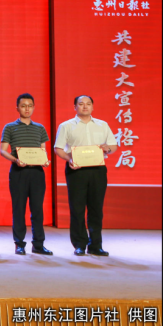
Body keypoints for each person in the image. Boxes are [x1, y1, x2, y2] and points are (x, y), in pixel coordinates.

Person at [54, 95, 117, 257]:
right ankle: (79, 244)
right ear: (75, 107)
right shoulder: (66, 126)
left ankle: (96, 245)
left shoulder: (102, 125)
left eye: (88, 104)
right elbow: (58, 148)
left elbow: (113, 145)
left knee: (96, 208)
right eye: (81, 104)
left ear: (93, 107)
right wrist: (70, 159)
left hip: (98, 170)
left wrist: (108, 148)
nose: (85, 107)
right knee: (77, 208)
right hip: (76, 170)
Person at [0, 93, 53, 256]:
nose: (27, 109)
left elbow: (43, 150)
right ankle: (19, 244)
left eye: (30, 106)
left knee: (37, 209)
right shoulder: (10, 127)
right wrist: (15, 160)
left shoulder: (40, 128)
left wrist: (45, 160)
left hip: (37, 172)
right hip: (18, 172)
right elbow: (3, 150)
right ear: (17, 108)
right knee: (19, 209)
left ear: (34, 107)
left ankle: (38, 244)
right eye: (23, 106)